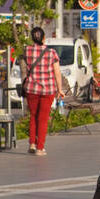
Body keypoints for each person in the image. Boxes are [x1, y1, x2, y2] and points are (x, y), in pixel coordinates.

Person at [21, 27, 65, 155]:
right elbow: (57, 72)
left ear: (32, 38)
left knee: (33, 116)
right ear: (44, 37)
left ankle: (32, 144)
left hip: (31, 88)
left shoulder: (27, 50)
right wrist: (60, 89)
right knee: (43, 118)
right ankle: (40, 148)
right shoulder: (51, 53)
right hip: (48, 89)